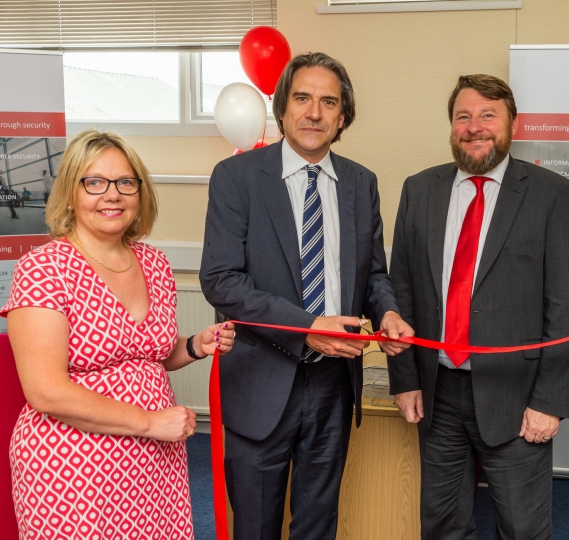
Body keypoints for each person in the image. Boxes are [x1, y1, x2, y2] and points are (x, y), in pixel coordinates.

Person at [199, 52, 413, 540]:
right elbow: (221, 281)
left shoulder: (361, 183)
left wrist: (390, 311)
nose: (314, 112)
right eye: (302, 98)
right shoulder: (237, 178)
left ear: (343, 117)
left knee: (318, 526)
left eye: (328, 102)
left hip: (334, 385)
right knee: (255, 527)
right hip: (260, 381)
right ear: (282, 108)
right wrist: (307, 329)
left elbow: (373, 274)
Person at [0, 130, 236, 540]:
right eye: (95, 182)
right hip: (74, 465)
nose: (112, 195)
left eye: (125, 182)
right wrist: (149, 422)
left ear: (140, 192)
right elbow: (46, 392)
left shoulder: (154, 263)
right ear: (71, 192)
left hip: (154, 461)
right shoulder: (44, 268)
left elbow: (149, 355)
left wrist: (196, 346)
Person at [388, 74, 569, 539]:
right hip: (437, 395)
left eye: (487, 115)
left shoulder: (550, 194)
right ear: (452, 126)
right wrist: (407, 379)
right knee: (441, 526)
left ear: (512, 124)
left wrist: (549, 402)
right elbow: (402, 290)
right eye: (463, 116)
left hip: (517, 398)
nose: (474, 126)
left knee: (522, 529)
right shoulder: (420, 189)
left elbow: (564, 303)